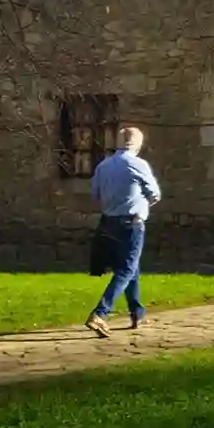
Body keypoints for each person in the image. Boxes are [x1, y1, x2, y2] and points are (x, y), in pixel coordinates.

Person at [86, 126, 162, 336]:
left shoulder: (104, 166)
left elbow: (95, 194)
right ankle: (100, 313)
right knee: (127, 269)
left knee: (131, 267)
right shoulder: (137, 164)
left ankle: (137, 313)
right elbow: (155, 194)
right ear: (137, 143)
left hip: (109, 222)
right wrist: (141, 205)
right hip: (131, 223)